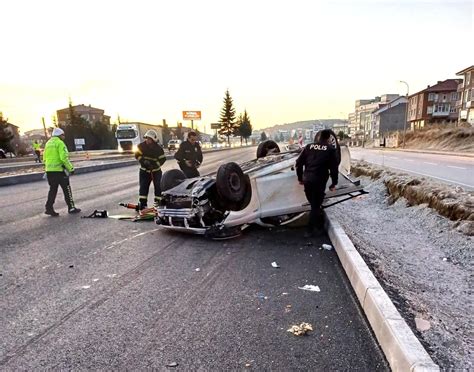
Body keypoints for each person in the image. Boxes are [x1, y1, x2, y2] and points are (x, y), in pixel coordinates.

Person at [295, 129, 338, 237]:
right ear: (328, 138)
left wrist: (300, 178)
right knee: (315, 205)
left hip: (307, 180)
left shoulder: (309, 147)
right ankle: (309, 230)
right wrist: (334, 183)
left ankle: (319, 226)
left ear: (319, 137)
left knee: (314, 204)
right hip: (319, 181)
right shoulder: (330, 149)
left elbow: (298, 163)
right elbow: (334, 169)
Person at [43, 128, 81, 216]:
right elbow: (63, 158)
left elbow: (44, 158)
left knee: (52, 190)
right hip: (60, 171)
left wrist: (48, 168)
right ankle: (71, 208)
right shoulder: (60, 143)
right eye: (63, 135)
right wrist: (71, 168)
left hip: (49, 172)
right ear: (60, 135)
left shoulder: (48, 143)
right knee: (67, 190)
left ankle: (49, 208)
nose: (64, 137)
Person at [135, 130, 166, 210]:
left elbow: (163, 159)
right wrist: (143, 161)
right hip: (144, 171)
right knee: (143, 187)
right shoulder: (141, 146)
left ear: (153, 140)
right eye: (147, 138)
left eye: (150, 139)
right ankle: (142, 204)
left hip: (156, 171)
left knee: (158, 187)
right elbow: (137, 155)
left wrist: (155, 165)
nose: (148, 140)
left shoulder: (158, 149)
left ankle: (158, 203)